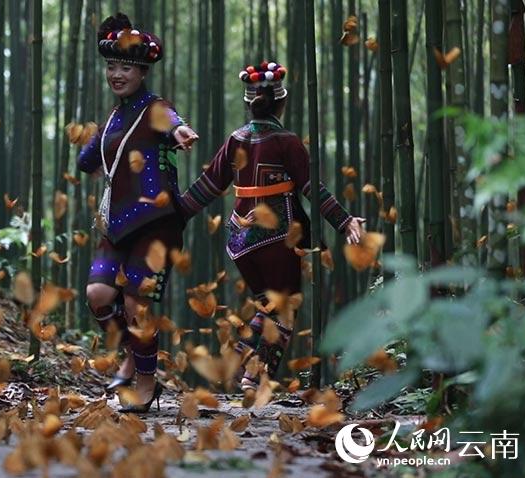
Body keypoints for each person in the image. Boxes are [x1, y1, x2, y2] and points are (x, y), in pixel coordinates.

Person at [178, 61, 365, 391]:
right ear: (282, 102)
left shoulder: (235, 139)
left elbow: (207, 186)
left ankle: (244, 369)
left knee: (269, 307)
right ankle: (249, 373)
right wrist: (344, 220)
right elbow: (312, 188)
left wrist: (173, 216)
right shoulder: (286, 141)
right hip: (278, 237)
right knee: (285, 308)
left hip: (239, 239)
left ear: (248, 103)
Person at [78, 13, 198, 413]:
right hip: (117, 225)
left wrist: (180, 132)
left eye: (125, 67)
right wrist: (93, 159)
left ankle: (146, 382)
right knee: (97, 295)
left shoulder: (154, 106)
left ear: (143, 71)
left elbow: (172, 122)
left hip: (155, 223)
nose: (116, 74)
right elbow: (86, 157)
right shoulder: (113, 117)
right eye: (111, 66)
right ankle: (132, 352)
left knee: (136, 307)